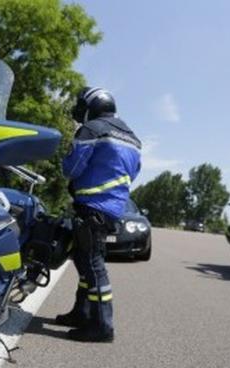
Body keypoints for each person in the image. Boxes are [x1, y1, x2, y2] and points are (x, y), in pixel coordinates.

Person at [57, 86, 141, 342]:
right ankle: (81, 313)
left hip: (93, 206)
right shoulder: (132, 137)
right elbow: (133, 173)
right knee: (85, 261)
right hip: (112, 208)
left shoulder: (92, 129)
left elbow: (71, 168)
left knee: (93, 265)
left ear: (92, 107)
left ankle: (103, 326)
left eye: (83, 107)